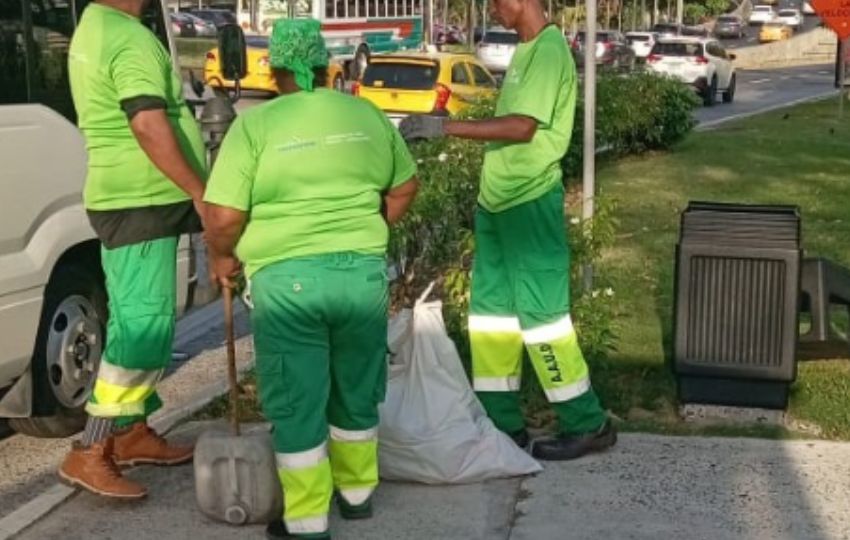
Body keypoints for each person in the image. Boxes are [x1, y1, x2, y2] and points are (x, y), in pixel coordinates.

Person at [203, 19, 418, 540]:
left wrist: (221, 258)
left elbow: (224, 214)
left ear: (276, 71)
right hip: (361, 277)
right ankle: (358, 495)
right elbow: (405, 187)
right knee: (355, 386)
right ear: (326, 68)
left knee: (298, 399)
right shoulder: (365, 114)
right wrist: (365, 231)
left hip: (288, 284)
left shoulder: (256, 126)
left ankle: (306, 520)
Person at [399, 0, 616, 461]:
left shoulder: (548, 51)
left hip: (529, 202)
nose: (492, 10)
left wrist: (445, 127)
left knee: (542, 319)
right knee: (490, 317)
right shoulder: (526, 49)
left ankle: (587, 422)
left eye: (496, 2)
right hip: (496, 203)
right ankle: (501, 424)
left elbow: (521, 128)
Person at [58, 0, 206, 498]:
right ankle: (90, 450)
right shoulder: (129, 36)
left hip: (129, 199)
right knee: (144, 329)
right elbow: (147, 122)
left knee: (131, 320)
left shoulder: (97, 27)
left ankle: (130, 433)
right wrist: (198, 189)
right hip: (141, 201)